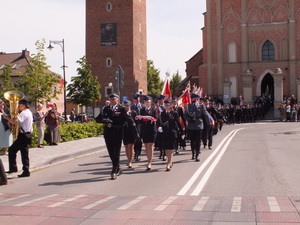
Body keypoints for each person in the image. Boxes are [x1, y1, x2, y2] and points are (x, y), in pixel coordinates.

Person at [96, 94, 127, 180]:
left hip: (117, 132)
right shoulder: (105, 109)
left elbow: (124, 120)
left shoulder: (121, 109)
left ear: (117, 100)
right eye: (111, 99)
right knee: (110, 152)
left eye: (114, 99)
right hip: (108, 133)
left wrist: (114, 122)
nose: (112, 101)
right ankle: (117, 166)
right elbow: (97, 119)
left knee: (116, 152)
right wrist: (104, 120)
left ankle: (114, 170)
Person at [3, 99, 33, 177]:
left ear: (24, 106)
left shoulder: (24, 113)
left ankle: (13, 168)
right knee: (24, 153)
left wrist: (7, 118)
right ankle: (26, 171)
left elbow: (16, 121)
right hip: (27, 134)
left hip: (23, 135)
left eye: (20, 106)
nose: (19, 107)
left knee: (12, 150)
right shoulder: (29, 112)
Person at [157, 99, 183, 171]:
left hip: (172, 132)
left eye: (168, 105)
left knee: (171, 148)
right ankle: (169, 161)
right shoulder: (162, 113)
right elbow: (159, 122)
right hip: (165, 133)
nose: (167, 106)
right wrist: (159, 127)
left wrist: (182, 132)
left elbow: (178, 122)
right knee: (166, 148)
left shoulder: (174, 113)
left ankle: (169, 162)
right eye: (165, 105)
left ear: (171, 105)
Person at [184, 94, 211, 162]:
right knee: (192, 140)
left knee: (198, 140)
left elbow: (205, 114)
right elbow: (185, 115)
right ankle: (193, 152)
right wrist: (189, 120)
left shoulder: (201, 105)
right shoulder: (188, 106)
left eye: (193, 98)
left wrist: (208, 123)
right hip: (191, 125)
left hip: (199, 124)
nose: (192, 99)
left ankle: (197, 155)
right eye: (192, 98)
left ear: (196, 99)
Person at [136, 96, 158, 170]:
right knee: (146, 146)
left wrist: (151, 118)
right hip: (144, 130)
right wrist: (138, 118)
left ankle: (150, 162)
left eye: (148, 102)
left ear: (150, 103)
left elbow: (156, 118)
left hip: (152, 130)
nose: (147, 104)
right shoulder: (141, 110)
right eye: (145, 102)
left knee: (151, 146)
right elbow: (139, 121)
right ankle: (148, 159)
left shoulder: (154, 110)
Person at [123, 100, 139, 168]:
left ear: (130, 105)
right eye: (125, 105)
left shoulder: (133, 113)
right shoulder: (122, 113)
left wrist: (137, 132)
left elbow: (136, 122)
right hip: (125, 131)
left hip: (132, 132)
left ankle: (130, 161)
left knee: (131, 146)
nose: (127, 106)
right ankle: (128, 159)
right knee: (126, 147)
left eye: (128, 105)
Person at [131, 94, 143, 161]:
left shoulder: (142, 106)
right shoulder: (132, 107)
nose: (136, 100)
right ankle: (136, 153)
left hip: (141, 125)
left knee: (140, 140)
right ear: (133, 99)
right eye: (135, 99)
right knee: (135, 140)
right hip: (134, 125)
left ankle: (139, 153)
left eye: (137, 98)